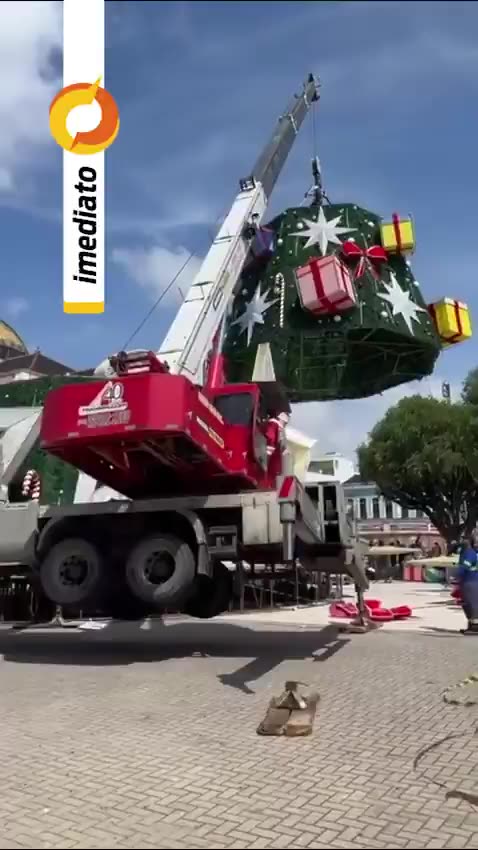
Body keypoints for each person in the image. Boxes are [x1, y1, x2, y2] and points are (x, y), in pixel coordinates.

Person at [455, 537, 478, 634]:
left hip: (470, 581)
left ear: (469, 542)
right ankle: (471, 625)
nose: (462, 540)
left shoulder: (470, 553)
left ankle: (475, 626)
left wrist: (457, 576)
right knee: (467, 603)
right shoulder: (467, 552)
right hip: (468, 581)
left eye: (465, 538)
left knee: (471, 603)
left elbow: (465, 566)